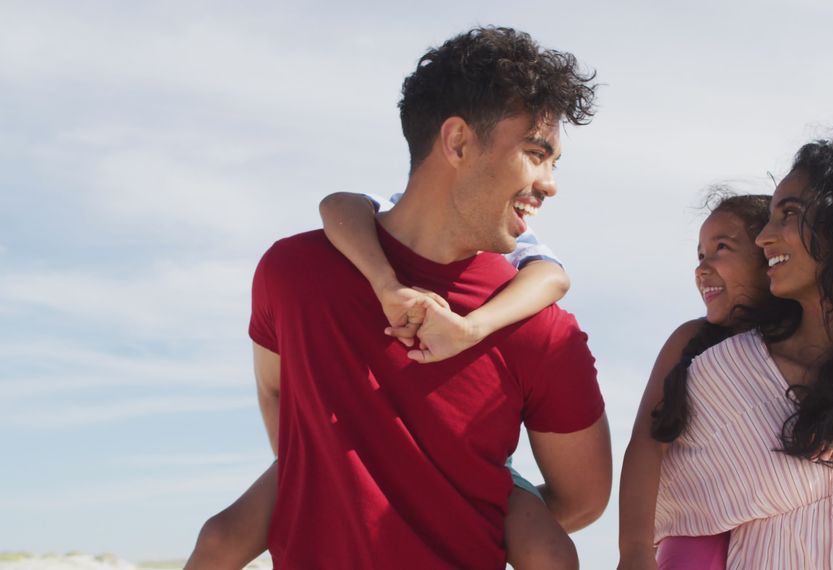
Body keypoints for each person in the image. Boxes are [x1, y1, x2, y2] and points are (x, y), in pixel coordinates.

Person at [186, 26, 611, 569]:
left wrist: (464, 503)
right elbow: (277, 395)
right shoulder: (293, 273)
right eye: (535, 154)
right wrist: (330, 479)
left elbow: (582, 501)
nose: (550, 184)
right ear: (457, 142)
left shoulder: (542, 328)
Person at [620, 124, 833, 569]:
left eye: (788, 214)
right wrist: (632, 555)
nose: (766, 238)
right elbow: (648, 447)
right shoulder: (714, 366)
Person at [185, 188, 582, 569]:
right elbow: (336, 204)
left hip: (480, 464)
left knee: (550, 555)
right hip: (328, 443)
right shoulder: (387, 216)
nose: (547, 184)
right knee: (219, 539)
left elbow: (553, 277)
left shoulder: (513, 235)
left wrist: (472, 327)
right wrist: (386, 283)